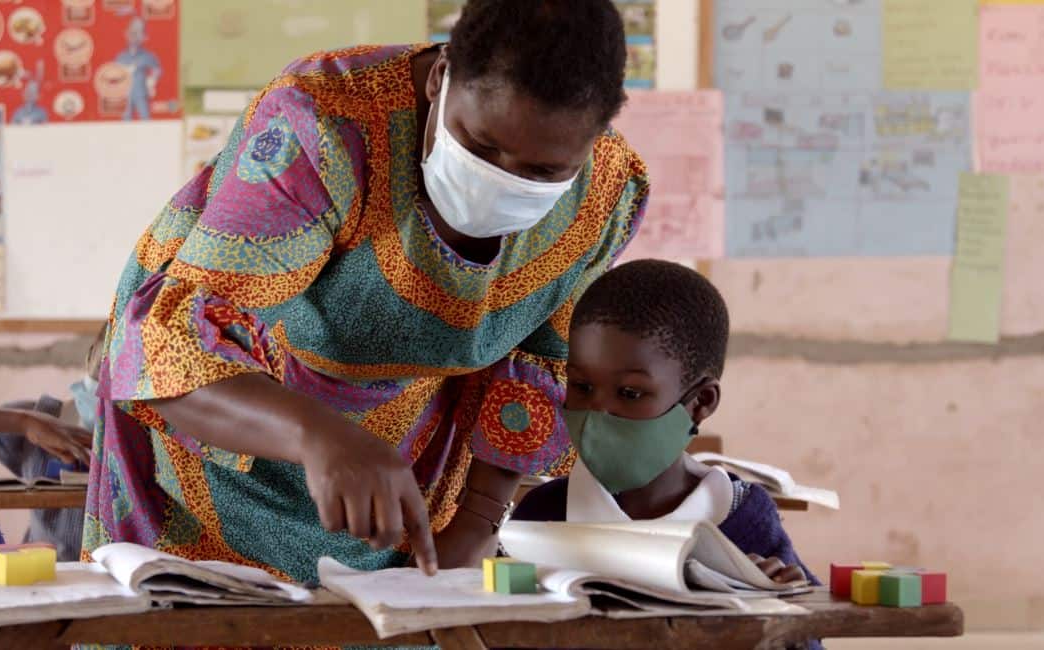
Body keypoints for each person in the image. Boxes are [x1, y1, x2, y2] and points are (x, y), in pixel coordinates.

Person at [86, 0, 646, 590]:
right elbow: (171, 345)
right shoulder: (325, 124)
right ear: (440, 76)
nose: (500, 180)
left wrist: (478, 519)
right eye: (480, 148)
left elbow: (533, 369)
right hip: (220, 446)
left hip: (405, 474)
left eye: (541, 172)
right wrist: (318, 435)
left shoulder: (606, 193)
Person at [512, 260, 819, 587]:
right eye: (582, 387)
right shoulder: (543, 513)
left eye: (630, 393)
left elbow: (801, 630)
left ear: (700, 402)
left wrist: (774, 600)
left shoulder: (742, 517)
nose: (596, 411)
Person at [0, 324, 103, 560]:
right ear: (88, 357)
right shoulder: (40, 419)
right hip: (46, 578)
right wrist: (23, 422)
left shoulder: (161, 441)